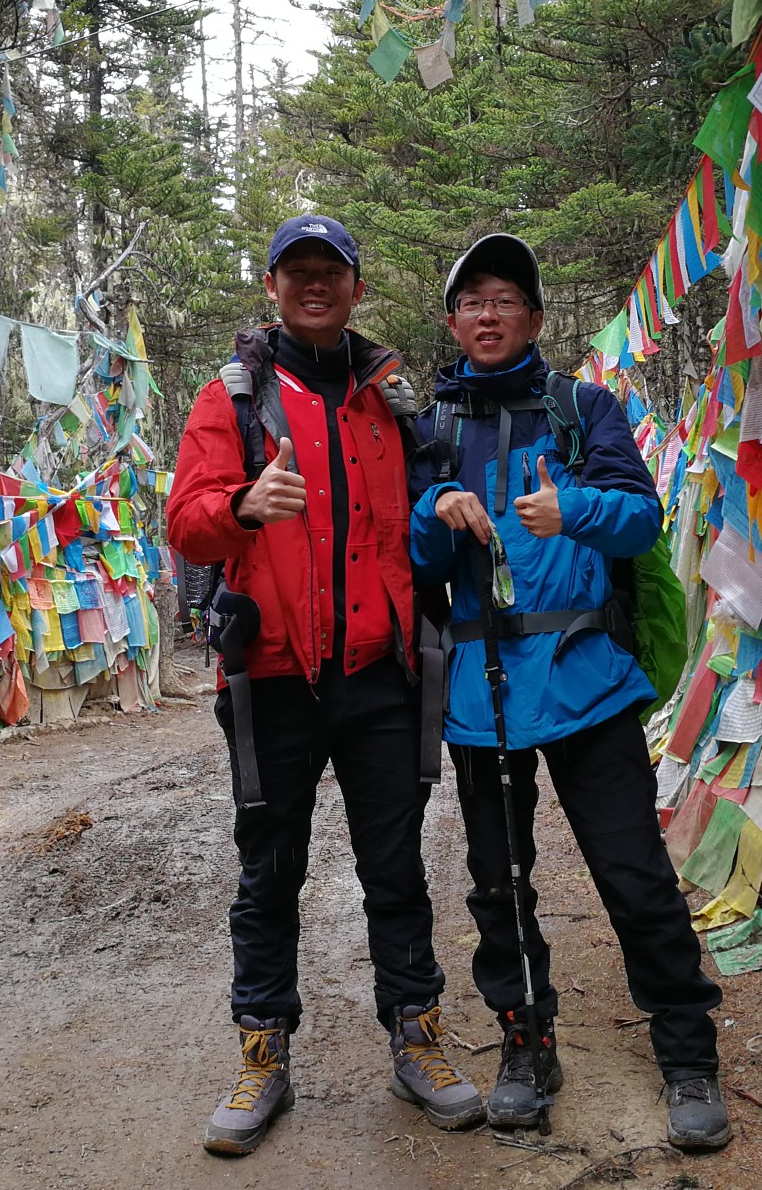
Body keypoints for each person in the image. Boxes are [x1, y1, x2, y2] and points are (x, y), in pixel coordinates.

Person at [168, 216, 483, 1156]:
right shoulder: (234, 397)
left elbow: (418, 516)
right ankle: (263, 1052)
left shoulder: (388, 397)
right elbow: (185, 523)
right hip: (270, 677)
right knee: (270, 873)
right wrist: (240, 504)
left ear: (355, 286)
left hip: (378, 676)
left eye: (330, 272)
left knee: (395, 867)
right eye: (296, 271)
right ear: (271, 285)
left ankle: (416, 1037)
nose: (314, 285)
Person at [410, 234, 730, 1152]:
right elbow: (413, 558)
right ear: (452, 323)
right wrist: (437, 515)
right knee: (498, 887)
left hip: (587, 680)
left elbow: (641, 522)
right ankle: (525, 1045)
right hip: (482, 692)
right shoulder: (433, 432)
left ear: (536, 319)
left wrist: (573, 510)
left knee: (633, 875)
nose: (488, 314)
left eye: (506, 298)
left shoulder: (584, 408)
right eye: (471, 301)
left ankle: (687, 1053)